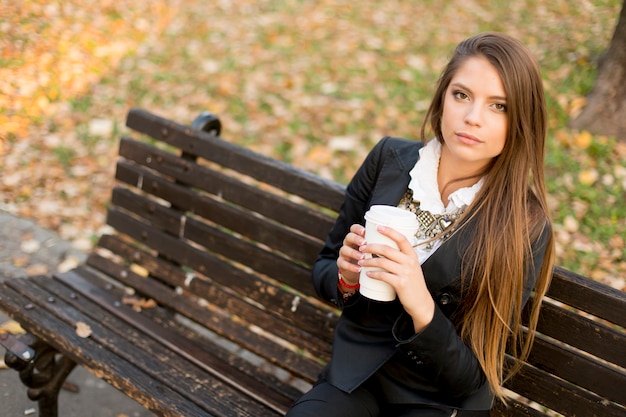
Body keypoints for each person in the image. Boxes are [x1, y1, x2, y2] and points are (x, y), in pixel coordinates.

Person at [286, 32, 555, 417]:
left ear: (521, 121)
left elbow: (473, 379)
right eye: (461, 95)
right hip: (355, 379)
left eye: (499, 106)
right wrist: (345, 278)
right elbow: (325, 266)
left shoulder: (524, 224)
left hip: (438, 399)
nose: (472, 118)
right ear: (442, 98)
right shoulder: (389, 159)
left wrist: (421, 304)